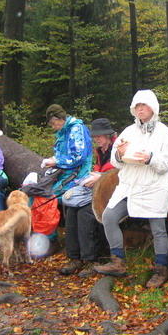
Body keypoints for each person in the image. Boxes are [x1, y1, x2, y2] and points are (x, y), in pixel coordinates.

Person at [94, 90, 168, 288]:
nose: (140, 109)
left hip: (154, 186)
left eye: (144, 105)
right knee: (108, 216)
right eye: (137, 106)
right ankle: (118, 262)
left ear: (153, 108)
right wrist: (120, 154)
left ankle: (161, 268)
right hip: (129, 185)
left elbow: (166, 164)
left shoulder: (164, 133)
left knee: (158, 229)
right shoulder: (129, 131)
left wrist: (150, 158)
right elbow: (116, 161)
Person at [26, 104, 92, 257]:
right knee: (33, 193)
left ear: (61, 119)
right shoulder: (63, 132)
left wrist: (56, 161)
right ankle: (38, 238)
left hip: (78, 176)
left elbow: (79, 157)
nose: (53, 127)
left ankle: (50, 241)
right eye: (51, 124)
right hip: (62, 174)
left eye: (54, 123)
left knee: (46, 199)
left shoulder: (77, 129)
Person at [59, 118, 115, 277]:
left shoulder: (118, 149)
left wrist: (101, 178)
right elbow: (98, 171)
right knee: (71, 210)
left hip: (113, 194)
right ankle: (74, 257)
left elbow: (120, 174)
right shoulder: (100, 151)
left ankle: (92, 260)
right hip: (99, 191)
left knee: (85, 212)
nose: (96, 139)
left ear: (108, 135)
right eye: (95, 136)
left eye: (99, 136)